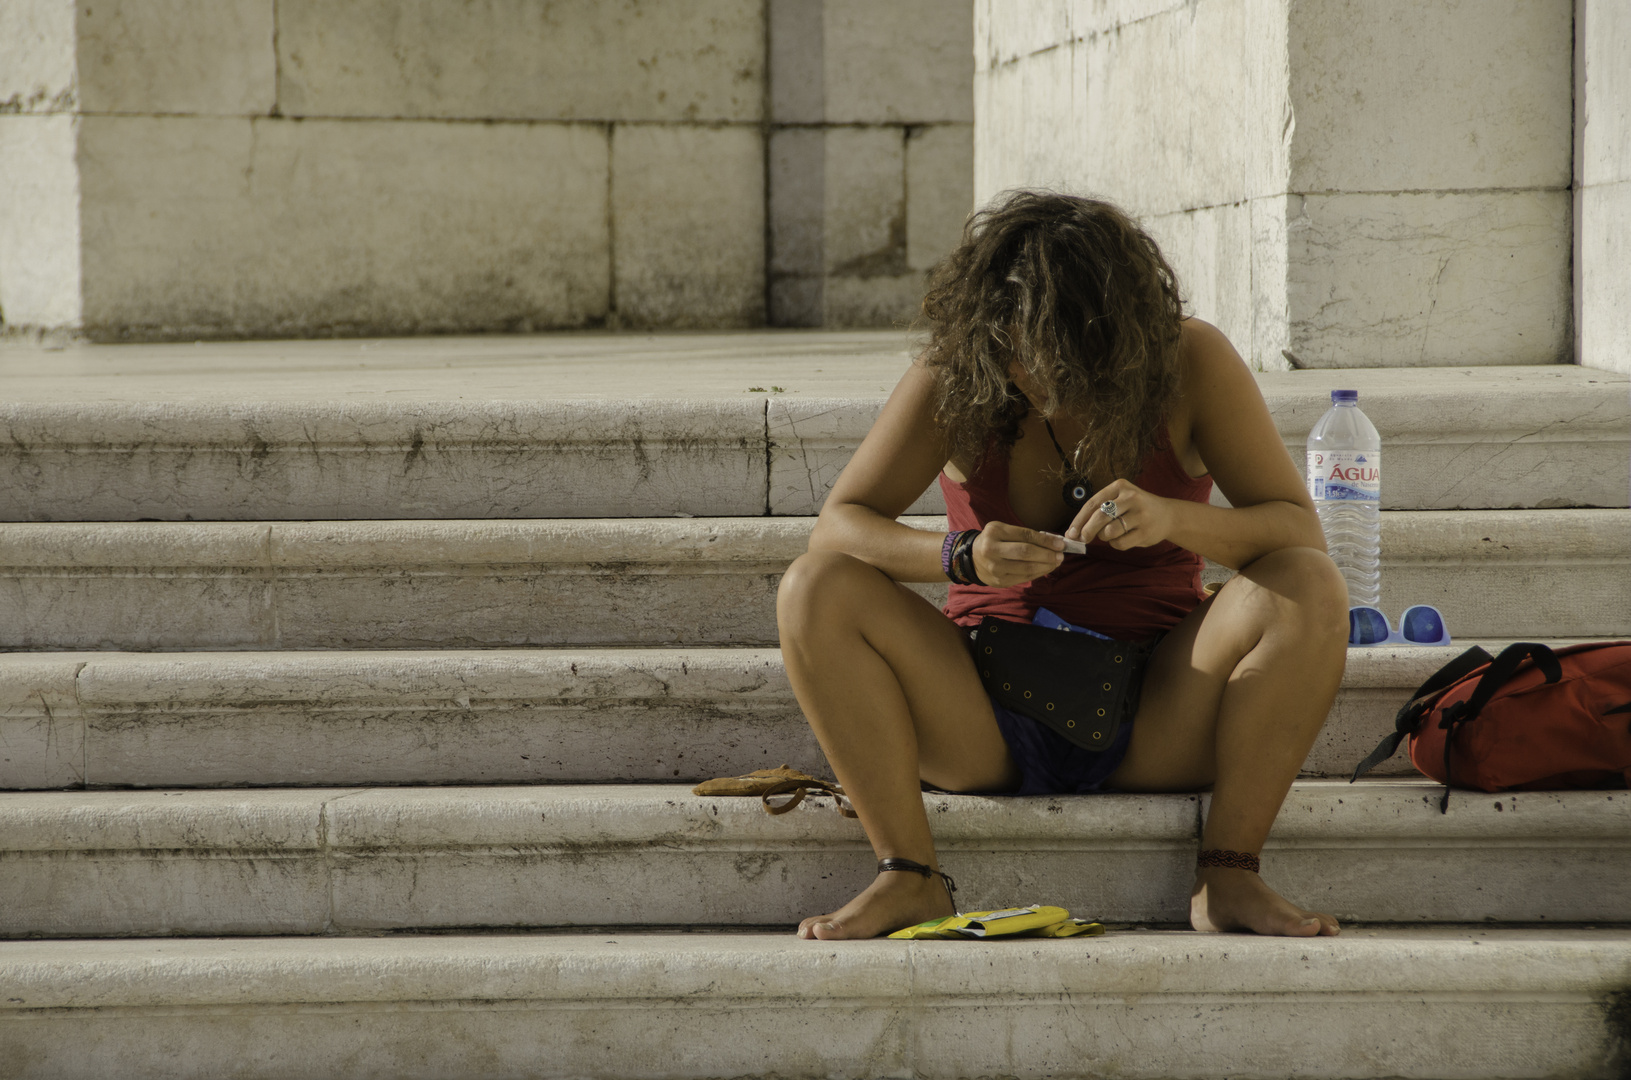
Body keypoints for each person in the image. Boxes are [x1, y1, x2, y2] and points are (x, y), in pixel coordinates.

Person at [775, 191, 1349, 940]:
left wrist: (1175, 519)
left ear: (1116, 334)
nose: (1031, 374)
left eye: (1057, 357)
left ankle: (1230, 874)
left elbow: (1297, 531)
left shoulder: (1190, 359)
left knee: (1306, 583)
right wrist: (962, 556)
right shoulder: (959, 371)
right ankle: (908, 876)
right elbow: (839, 526)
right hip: (981, 714)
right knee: (812, 587)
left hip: (1158, 710)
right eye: (1014, 350)